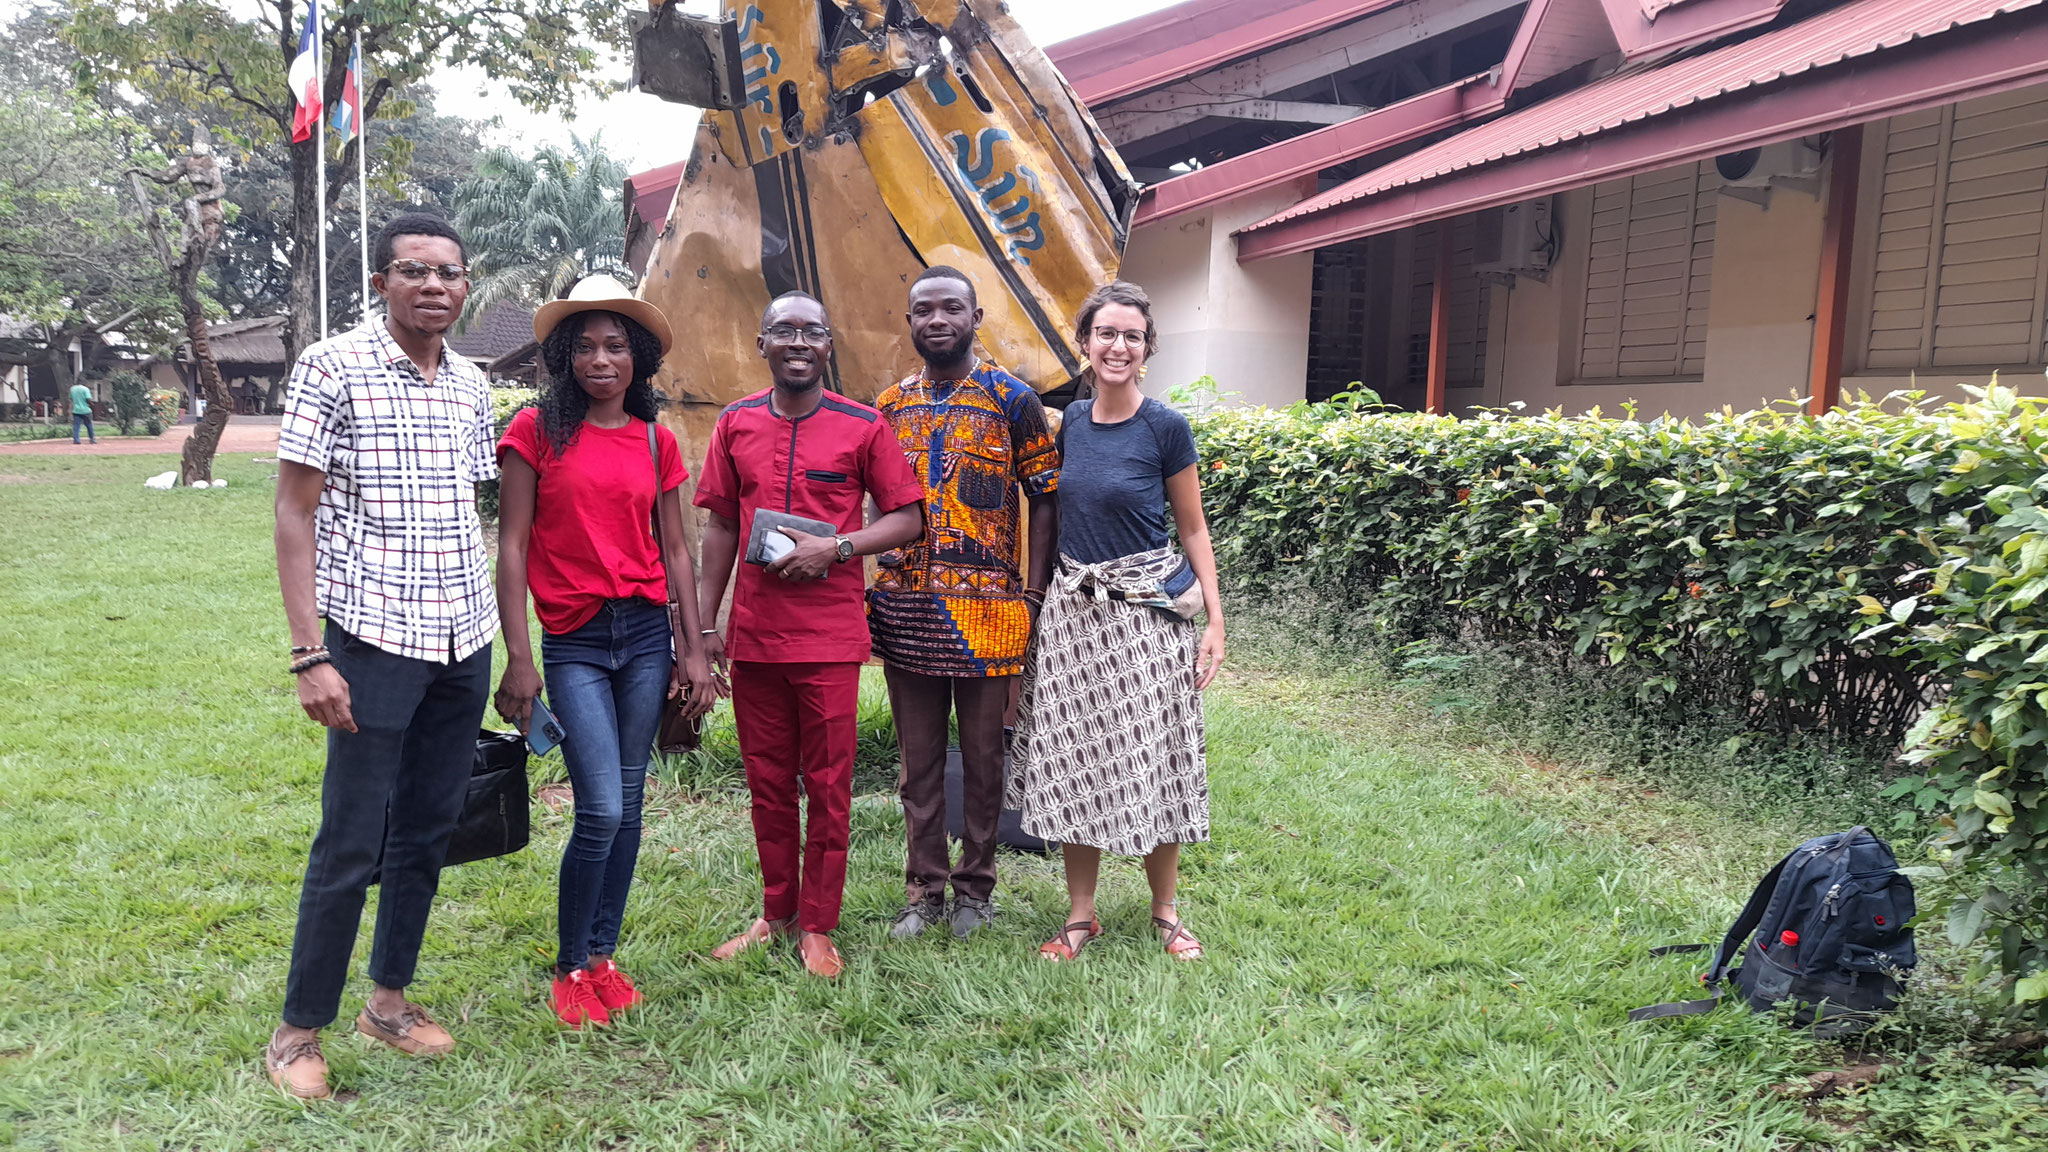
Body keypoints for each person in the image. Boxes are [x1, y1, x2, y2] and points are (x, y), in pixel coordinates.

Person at [266, 213, 498, 1099]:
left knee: (430, 829)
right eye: (414, 271)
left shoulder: (474, 386)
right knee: (352, 836)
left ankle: (389, 1001)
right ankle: (298, 1031)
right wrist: (308, 651)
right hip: (371, 637)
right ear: (380, 282)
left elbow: (471, 510)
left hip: (459, 638)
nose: (434, 286)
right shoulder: (333, 366)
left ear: (464, 285)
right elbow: (295, 512)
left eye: (449, 272)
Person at [492, 275, 717, 1029]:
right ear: (562, 354)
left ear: (639, 357)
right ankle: (567, 966)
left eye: (615, 346)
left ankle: (600, 957)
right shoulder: (535, 432)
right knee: (602, 810)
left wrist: (694, 649)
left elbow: (678, 552)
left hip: (647, 634)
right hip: (577, 641)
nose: (600, 359)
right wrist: (519, 658)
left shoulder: (656, 440)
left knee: (630, 812)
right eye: (584, 346)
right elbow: (513, 544)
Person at [695, 291, 925, 979]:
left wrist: (841, 548)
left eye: (813, 332)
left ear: (830, 345)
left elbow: (908, 518)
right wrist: (706, 626)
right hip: (757, 638)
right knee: (766, 782)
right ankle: (776, 912)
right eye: (784, 331)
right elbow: (720, 528)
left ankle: (819, 925)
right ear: (761, 342)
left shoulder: (862, 426)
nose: (798, 343)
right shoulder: (734, 424)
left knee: (828, 785)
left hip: (829, 640)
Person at [1006, 280, 1227, 963]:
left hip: (1147, 618)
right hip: (1075, 617)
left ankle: (1165, 909)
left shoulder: (1164, 426)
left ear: (1147, 347)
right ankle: (1081, 914)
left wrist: (1216, 621)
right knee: (1079, 755)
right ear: (1085, 343)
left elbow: (1191, 528)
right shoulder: (1068, 422)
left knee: (1155, 756)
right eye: (1106, 333)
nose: (1118, 346)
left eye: (1132, 336)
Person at [869, 266, 1058, 940]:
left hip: (991, 611)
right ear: (911, 321)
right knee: (917, 763)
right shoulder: (888, 405)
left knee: (983, 761)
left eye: (952, 308)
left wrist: (1034, 594)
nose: (937, 320)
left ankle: (976, 890)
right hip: (907, 609)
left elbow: (1045, 496)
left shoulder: (1013, 399)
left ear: (977, 318)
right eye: (924, 310)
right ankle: (923, 890)